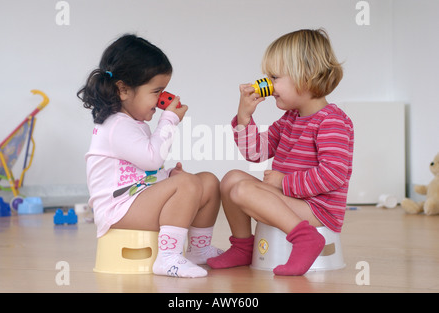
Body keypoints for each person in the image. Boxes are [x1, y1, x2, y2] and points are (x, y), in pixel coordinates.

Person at [207, 29, 354, 276]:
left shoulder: (332, 122)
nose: (268, 85)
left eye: (275, 77)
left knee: (242, 190)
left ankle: (306, 238)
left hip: (318, 209)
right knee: (232, 178)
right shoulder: (290, 119)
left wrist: (284, 183)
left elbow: (333, 175)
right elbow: (256, 152)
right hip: (292, 198)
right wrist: (244, 116)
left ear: (306, 76)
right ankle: (244, 246)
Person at [78, 34, 222, 278]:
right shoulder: (116, 125)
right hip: (118, 210)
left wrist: (167, 175)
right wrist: (169, 120)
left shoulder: (131, 123)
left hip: (135, 199)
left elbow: (145, 172)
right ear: (123, 89)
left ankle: (199, 249)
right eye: (157, 91)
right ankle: (168, 257)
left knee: (207, 180)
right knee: (186, 183)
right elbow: (153, 159)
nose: (162, 100)